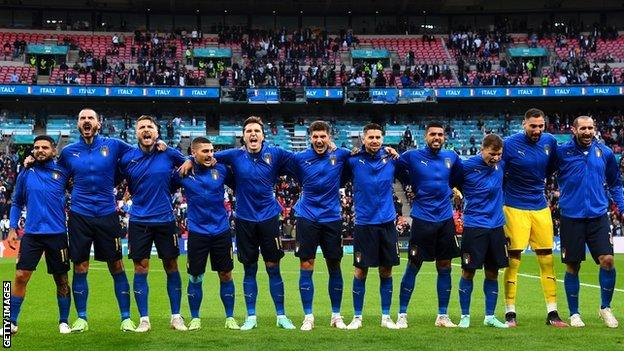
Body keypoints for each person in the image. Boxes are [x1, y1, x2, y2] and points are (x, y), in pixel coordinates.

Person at [188, 116, 296, 330]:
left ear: (263, 135)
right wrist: (189, 160)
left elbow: (302, 160)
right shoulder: (234, 155)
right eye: (249, 131)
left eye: (257, 130)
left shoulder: (276, 154)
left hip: (268, 219)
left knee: (273, 267)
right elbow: (205, 156)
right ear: (243, 136)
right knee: (249, 269)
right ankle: (251, 317)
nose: (253, 134)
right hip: (245, 220)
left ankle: (281, 315)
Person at [118, 115, 188, 332]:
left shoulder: (168, 153)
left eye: (150, 127)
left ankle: (176, 317)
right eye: (142, 127)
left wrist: (188, 161)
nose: (146, 130)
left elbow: (189, 161)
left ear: (157, 132)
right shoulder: (127, 158)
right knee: (141, 268)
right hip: (139, 220)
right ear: (136, 133)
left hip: (165, 219)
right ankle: (144, 319)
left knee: (171, 266)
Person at [502, 108, 567, 327]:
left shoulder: (550, 141)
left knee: (547, 259)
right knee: (513, 261)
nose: (537, 130)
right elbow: (497, 171)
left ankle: (553, 313)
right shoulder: (509, 144)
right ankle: (510, 313)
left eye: (541, 126)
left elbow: (551, 170)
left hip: (540, 207)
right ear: (524, 124)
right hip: (514, 207)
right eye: (533, 126)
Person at [395, 121, 463, 329]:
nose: (437, 137)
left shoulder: (451, 157)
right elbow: (397, 169)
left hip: (444, 219)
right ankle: (402, 314)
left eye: (440, 134)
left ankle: (442, 315)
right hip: (423, 219)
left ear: (444, 137)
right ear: (425, 136)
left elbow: (457, 177)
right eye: (433, 134)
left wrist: (451, 189)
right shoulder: (412, 156)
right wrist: (410, 184)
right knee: (413, 266)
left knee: (445, 267)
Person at [556, 116, 621, 328]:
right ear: (574, 130)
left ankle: (605, 308)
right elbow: (540, 170)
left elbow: (615, 184)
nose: (587, 132)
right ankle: (574, 313)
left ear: (595, 129)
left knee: (608, 261)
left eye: (590, 128)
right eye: (582, 128)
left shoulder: (606, 153)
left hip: (598, 216)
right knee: (573, 266)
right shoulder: (561, 152)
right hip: (571, 217)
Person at [286, 121, 351, 331]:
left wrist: (389, 151)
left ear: (329, 137)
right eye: (315, 137)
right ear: (310, 138)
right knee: (306, 265)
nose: (319, 140)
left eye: (323, 136)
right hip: (307, 217)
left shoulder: (341, 155)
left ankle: (336, 316)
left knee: (335, 265)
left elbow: (362, 155)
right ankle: (308, 316)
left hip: (332, 218)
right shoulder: (299, 159)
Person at [173, 137, 240, 331]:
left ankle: (230, 318)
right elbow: (165, 181)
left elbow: (240, 184)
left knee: (226, 274)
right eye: (205, 151)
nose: (210, 154)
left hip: (221, 231)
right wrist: (186, 161)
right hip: (197, 233)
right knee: (195, 276)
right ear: (194, 153)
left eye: (212, 151)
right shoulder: (184, 172)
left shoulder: (221, 170)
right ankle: (195, 318)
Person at [8, 135, 71, 335]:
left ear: (53, 150)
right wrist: (12, 228)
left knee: (61, 280)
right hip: (32, 235)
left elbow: (80, 191)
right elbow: (17, 202)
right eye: (36, 147)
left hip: (57, 234)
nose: (40, 150)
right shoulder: (26, 173)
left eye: (45, 147)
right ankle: (11, 322)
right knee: (20, 276)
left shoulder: (63, 171)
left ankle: (63, 321)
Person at [343, 123, 402, 330]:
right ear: (363, 138)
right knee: (360, 272)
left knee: (386, 271)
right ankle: (357, 317)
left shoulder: (393, 159)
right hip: (364, 224)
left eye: (378, 137)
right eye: (371, 137)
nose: (375, 141)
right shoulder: (352, 160)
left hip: (386, 223)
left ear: (383, 139)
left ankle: (386, 317)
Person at [456, 134, 509, 329]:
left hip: (496, 227)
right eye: (492, 154)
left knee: (493, 272)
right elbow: (450, 180)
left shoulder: (501, 165)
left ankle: (490, 316)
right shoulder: (466, 166)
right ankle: (465, 316)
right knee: (468, 271)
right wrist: (456, 192)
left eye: (499, 154)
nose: (496, 158)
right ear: (482, 149)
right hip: (474, 225)